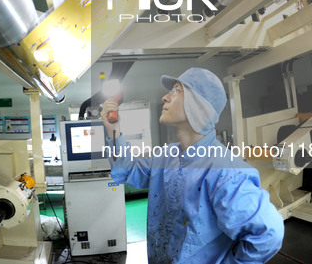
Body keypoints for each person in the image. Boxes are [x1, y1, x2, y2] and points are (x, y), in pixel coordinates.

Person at [100, 67, 284, 264]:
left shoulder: (224, 170)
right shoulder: (166, 156)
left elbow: (267, 235)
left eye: (176, 90)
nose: (165, 97)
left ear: (199, 106)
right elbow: (126, 170)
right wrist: (114, 130)